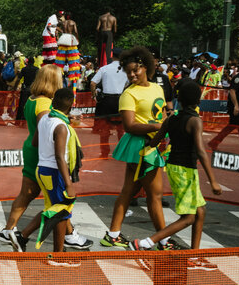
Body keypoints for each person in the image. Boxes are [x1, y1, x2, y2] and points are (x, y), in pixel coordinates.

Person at [130, 79, 222, 271]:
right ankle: (146, 242)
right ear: (198, 101)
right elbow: (200, 151)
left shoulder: (172, 119)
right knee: (188, 217)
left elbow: (155, 141)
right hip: (186, 170)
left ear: (179, 99)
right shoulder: (195, 121)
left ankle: (194, 255)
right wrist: (213, 181)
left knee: (200, 210)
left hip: (173, 167)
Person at [0, 64, 91, 252]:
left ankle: (9, 231)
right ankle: (65, 237)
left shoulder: (33, 99)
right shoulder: (44, 104)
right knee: (56, 200)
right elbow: (47, 132)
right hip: (44, 155)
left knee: (31, 195)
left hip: (34, 150)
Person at [100, 46, 177, 252]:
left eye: (135, 70)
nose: (132, 75)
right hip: (142, 146)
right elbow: (129, 126)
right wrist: (160, 127)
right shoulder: (128, 94)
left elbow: (160, 115)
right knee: (155, 196)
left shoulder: (157, 88)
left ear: (145, 67)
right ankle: (163, 241)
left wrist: (164, 132)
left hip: (153, 145)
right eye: (128, 72)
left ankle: (113, 235)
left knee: (129, 191)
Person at [34, 87, 84, 261]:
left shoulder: (45, 118)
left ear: (54, 100)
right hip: (55, 172)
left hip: (42, 169)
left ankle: (22, 236)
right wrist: (69, 183)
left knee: (52, 210)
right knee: (61, 213)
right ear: (71, 104)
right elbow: (59, 157)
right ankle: (57, 255)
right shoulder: (62, 127)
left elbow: (35, 142)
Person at [208, 58, 239, 155]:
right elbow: (232, 91)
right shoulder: (238, 78)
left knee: (231, 127)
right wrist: (236, 106)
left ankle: (214, 142)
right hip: (237, 108)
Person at [90, 48, 128, 158]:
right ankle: (122, 152)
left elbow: (93, 83)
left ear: (112, 56)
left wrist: (94, 95)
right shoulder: (125, 70)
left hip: (106, 100)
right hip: (120, 100)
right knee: (121, 129)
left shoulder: (104, 68)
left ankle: (104, 152)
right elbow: (129, 83)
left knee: (104, 128)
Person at [54, 12, 81, 89]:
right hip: (70, 39)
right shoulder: (73, 22)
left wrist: (61, 31)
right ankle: (74, 88)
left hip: (63, 39)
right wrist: (77, 38)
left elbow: (55, 26)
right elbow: (75, 31)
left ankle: (58, 85)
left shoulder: (63, 22)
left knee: (59, 61)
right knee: (74, 62)